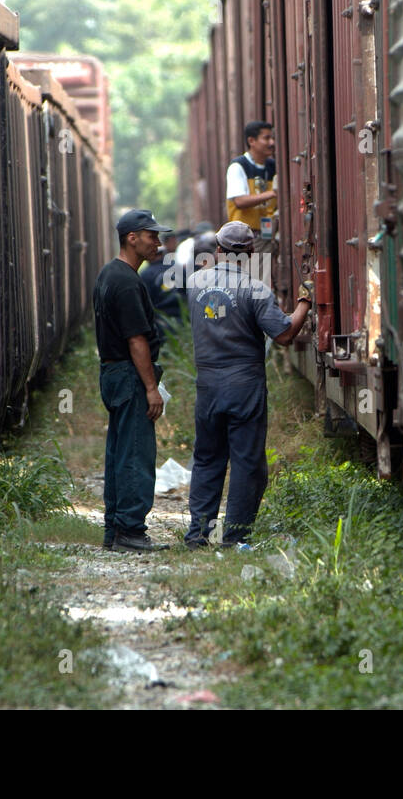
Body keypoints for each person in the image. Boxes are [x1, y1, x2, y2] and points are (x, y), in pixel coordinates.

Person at [185, 221, 312, 548]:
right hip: (244, 385)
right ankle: (235, 537)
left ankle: (198, 534)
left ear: (217, 250)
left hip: (207, 384)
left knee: (207, 458)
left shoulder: (194, 283)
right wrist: (305, 303)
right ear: (251, 253)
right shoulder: (255, 290)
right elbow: (284, 334)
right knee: (245, 462)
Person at [93, 209, 174, 552]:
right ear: (132, 238)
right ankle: (130, 531)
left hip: (113, 373)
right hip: (129, 374)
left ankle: (115, 530)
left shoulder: (110, 274)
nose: (158, 242)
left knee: (119, 451)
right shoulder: (127, 281)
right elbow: (137, 341)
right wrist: (151, 388)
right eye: (151, 235)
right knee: (136, 453)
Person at [226, 122, 277, 255]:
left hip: (267, 235)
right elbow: (240, 201)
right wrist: (273, 193)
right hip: (245, 238)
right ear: (251, 141)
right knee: (256, 274)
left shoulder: (273, 166)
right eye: (266, 138)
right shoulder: (238, 166)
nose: (272, 142)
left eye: (272, 138)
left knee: (263, 274)